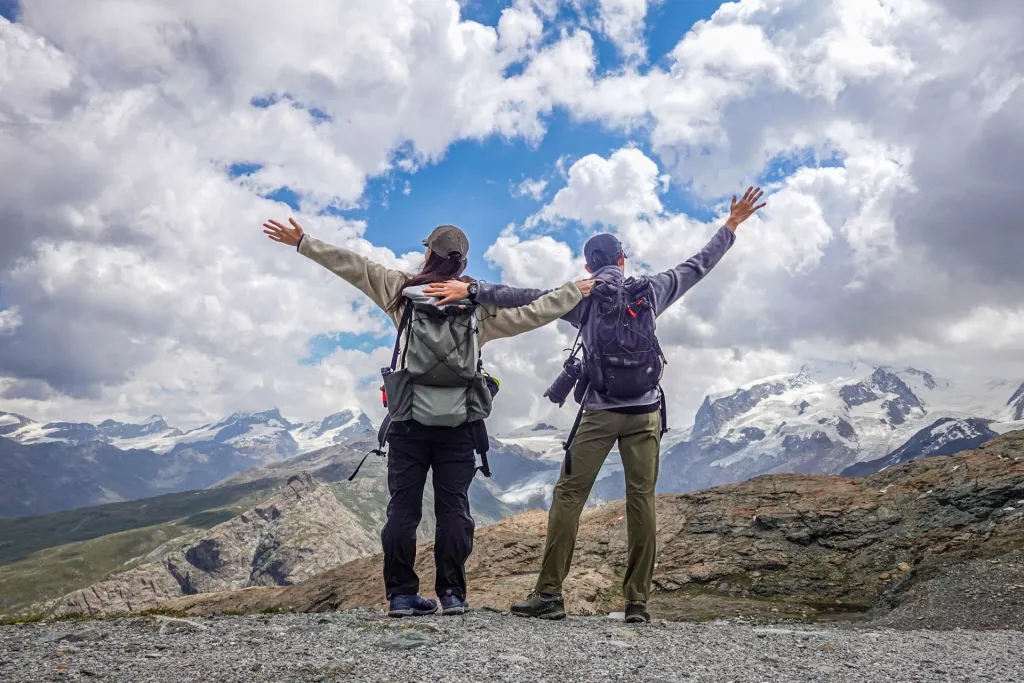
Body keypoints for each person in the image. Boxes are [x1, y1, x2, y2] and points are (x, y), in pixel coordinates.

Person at [424, 187, 767, 623]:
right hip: (645, 413)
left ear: (588, 266)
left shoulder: (584, 295)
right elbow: (699, 264)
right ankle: (637, 602)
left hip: (600, 413)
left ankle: (549, 595)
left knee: (569, 496)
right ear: (623, 260)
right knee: (641, 500)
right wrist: (731, 224)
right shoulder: (652, 290)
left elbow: (524, 296)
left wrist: (473, 290)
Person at [262, 218, 594, 618]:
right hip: (460, 425)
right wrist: (573, 292)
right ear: (462, 261)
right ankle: (452, 594)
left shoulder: (401, 292)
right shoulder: (479, 307)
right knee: (454, 509)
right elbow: (534, 313)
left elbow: (354, 266)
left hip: (408, 422)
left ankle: (402, 595)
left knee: (403, 509)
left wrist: (303, 242)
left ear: (428, 254)